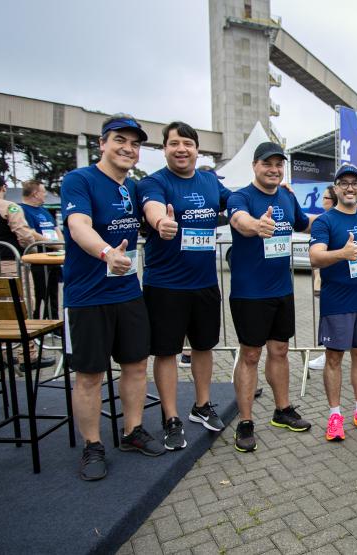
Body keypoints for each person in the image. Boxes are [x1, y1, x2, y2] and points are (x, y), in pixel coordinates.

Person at [62, 114, 165, 481]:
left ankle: (132, 431)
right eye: (120, 140)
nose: (128, 148)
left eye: (135, 144)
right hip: (87, 296)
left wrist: (159, 223)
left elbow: (151, 207)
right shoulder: (80, 180)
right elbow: (78, 226)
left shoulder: (133, 188)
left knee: (136, 365)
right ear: (102, 143)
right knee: (89, 375)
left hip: (127, 292)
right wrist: (107, 253)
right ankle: (93, 446)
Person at [137, 121, 232, 451]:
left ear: (196, 149)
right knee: (167, 352)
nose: (181, 149)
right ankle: (171, 417)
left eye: (188, 143)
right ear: (164, 148)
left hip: (204, 283)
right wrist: (161, 221)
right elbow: (151, 207)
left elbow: (234, 202)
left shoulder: (209, 180)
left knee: (203, 347)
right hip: (165, 286)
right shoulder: (153, 182)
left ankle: (201, 406)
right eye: (174, 143)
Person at [227, 141, 316, 452]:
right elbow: (239, 221)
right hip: (249, 293)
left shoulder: (287, 196)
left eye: (279, 165)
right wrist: (257, 225)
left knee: (280, 350)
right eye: (268, 164)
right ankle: (246, 421)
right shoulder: (241, 196)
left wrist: (350, 213)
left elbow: (306, 224)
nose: (274, 170)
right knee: (250, 354)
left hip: (282, 290)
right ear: (255, 165)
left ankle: (282, 410)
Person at [309, 164, 357, 441]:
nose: (350, 188)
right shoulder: (326, 221)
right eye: (344, 183)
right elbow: (315, 257)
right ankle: (334, 415)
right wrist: (343, 253)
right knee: (334, 358)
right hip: (337, 301)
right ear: (335, 188)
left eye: (355, 183)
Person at [0, 172, 54, 369]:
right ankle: (27, 356)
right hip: (12, 264)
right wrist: (29, 247)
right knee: (24, 308)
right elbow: (24, 235)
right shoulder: (9, 206)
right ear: (3, 187)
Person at [20, 179, 63, 320]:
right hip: (37, 260)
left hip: (53, 258)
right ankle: (36, 323)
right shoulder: (22, 210)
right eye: (43, 192)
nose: (45, 195)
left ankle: (54, 323)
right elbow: (31, 233)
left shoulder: (45, 210)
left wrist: (61, 243)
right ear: (35, 193)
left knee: (53, 293)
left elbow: (56, 228)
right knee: (39, 294)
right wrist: (53, 243)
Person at [312, 185, 337, 296]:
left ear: (333, 200)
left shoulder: (328, 220)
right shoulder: (322, 218)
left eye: (325, 198)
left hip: (330, 279)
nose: (322, 200)